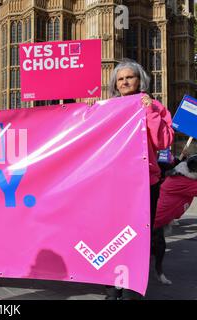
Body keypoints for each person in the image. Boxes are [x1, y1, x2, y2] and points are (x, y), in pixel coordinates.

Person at [104, 59, 174, 300]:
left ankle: (133, 286)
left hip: (145, 183)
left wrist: (150, 112)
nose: (124, 81)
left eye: (129, 77)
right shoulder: (108, 107)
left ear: (140, 80)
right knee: (113, 235)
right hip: (114, 184)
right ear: (115, 83)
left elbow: (163, 142)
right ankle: (114, 285)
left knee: (137, 237)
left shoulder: (154, 107)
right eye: (120, 78)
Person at [152, 154, 197, 285]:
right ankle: (159, 273)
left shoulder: (180, 176)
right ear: (193, 169)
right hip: (156, 222)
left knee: (154, 248)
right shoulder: (183, 181)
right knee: (158, 246)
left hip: (157, 220)